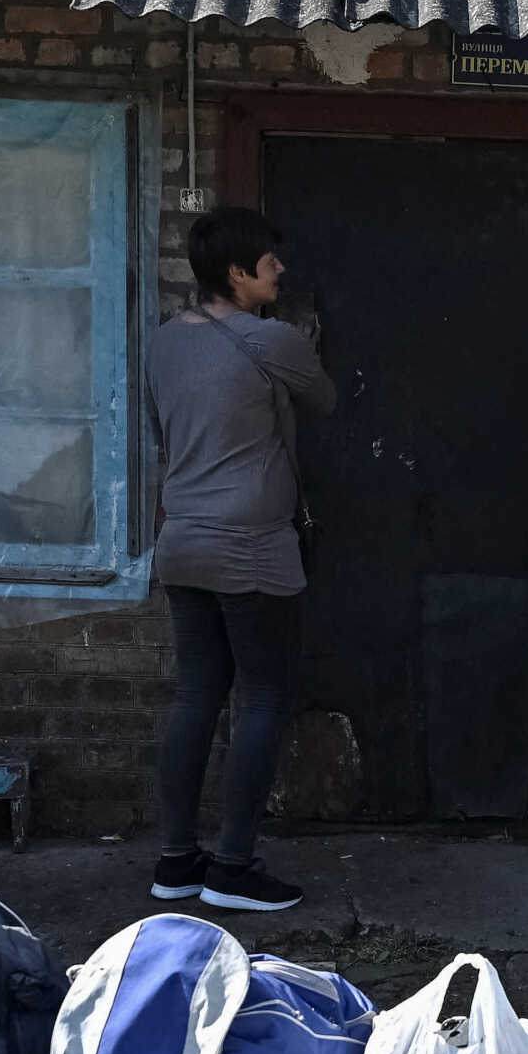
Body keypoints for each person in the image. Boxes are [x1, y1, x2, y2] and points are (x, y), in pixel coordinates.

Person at [142, 205, 335, 915]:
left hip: (183, 538)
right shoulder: (272, 339)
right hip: (250, 544)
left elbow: (162, 426)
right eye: (270, 263)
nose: (280, 271)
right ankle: (231, 865)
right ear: (237, 272)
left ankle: (174, 861)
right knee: (263, 697)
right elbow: (325, 397)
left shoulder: (164, 342)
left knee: (197, 695)